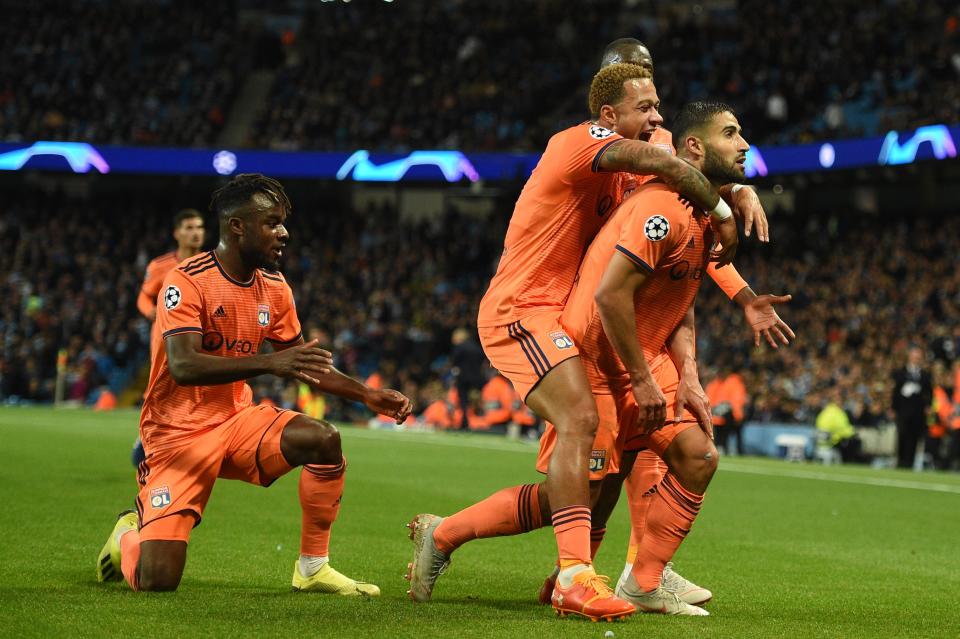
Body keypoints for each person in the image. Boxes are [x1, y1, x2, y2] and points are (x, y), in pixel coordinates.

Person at [406, 63, 748, 621]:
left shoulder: (637, 170)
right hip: (525, 309)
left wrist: (737, 186)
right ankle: (573, 577)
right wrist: (725, 201)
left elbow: (686, 172)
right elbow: (666, 159)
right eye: (645, 107)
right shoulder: (578, 143)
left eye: (660, 106)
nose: (657, 118)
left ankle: (447, 535)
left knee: (593, 486)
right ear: (609, 116)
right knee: (581, 424)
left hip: (573, 320)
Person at [95, 174, 412, 594]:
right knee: (157, 581)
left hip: (236, 420)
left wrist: (367, 394)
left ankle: (313, 567)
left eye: (282, 222)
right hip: (177, 434)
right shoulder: (186, 280)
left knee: (323, 439)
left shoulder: (276, 287)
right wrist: (269, 362)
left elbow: (303, 364)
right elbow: (184, 365)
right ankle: (126, 535)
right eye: (272, 223)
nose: (284, 232)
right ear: (236, 227)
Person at [549, 100, 763, 615]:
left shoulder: (693, 205)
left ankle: (643, 580)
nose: (745, 144)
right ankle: (447, 536)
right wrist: (644, 381)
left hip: (645, 354)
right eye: (731, 134)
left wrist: (732, 198)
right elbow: (610, 296)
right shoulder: (656, 203)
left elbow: (678, 295)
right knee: (578, 493)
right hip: (598, 358)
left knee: (697, 456)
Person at [131, 209, 206, 466]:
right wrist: (151, 311)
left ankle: (187, 443)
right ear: (177, 233)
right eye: (188, 227)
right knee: (162, 385)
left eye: (198, 227)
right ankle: (146, 438)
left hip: (202, 336)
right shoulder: (161, 266)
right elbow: (143, 295)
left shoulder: (214, 264)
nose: (195, 233)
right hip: (165, 337)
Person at [891, 346, 932, 469]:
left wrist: (928, 406)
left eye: (919, 357)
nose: (916, 359)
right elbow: (895, 392)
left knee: (914, 438)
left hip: (918, 412)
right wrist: (893, 408)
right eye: (915, 356)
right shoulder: (900, 373)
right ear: (909, 357)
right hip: (903, 410)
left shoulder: (925, 375)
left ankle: (910, 463)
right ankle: (900, 462)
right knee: (902, 436)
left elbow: (929, 392)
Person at [706, 364, 748, 456]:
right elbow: (710, 399)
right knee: (726, 432)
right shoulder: (718, 384)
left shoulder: (731, 383)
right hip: (721, 414)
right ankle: (722, 448)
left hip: (724, 414)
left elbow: (735, 400)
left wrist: (737, 415)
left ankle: (722, 448)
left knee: (724, 432)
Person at [815, 388, 862, 463]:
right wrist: (853, 431)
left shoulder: (824, 411)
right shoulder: (838, 413)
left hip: (820, 442)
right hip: (833, 442)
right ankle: (852, 462)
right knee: (855, 441)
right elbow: (844, 429)